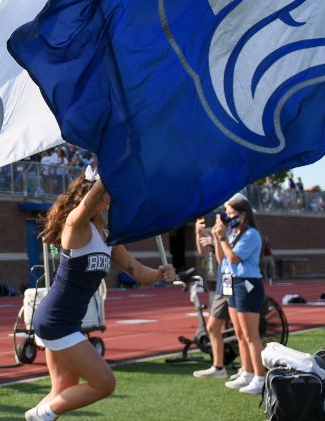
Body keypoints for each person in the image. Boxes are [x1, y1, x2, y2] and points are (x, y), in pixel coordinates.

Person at [24, 170, 173, 421]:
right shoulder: (76, 224)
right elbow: (92, 197)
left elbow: (138, 272)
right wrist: (112, 167)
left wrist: (161, 273)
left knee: (62, 390)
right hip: (55, 320)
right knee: (105, 383)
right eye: (110, 193)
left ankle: (39, 416)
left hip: (67, 321)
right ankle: (39, 415)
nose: (115, 198)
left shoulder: (108, 237)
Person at [212, 194, 269, 395]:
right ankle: (246, 371)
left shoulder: (251, 234)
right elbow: (222, 260)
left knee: (251, 335)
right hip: (233, 282)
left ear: (242, 214)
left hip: (247, 283)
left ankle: (260, 377)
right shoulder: (233, 233)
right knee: (240, 334)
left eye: (231, 213)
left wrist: (223, 237)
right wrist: (219, 239)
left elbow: (234, 258)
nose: (227, 217)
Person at [192, 215, 233, 380]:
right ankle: (220, 363)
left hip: (227, 279)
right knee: (215, 322)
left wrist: (215, 240)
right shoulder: (215, 232)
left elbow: (222, 259)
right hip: (214, 280)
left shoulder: (229, 232)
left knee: (233, 323)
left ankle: (229, 362)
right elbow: (201, 250)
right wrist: (198, 233)